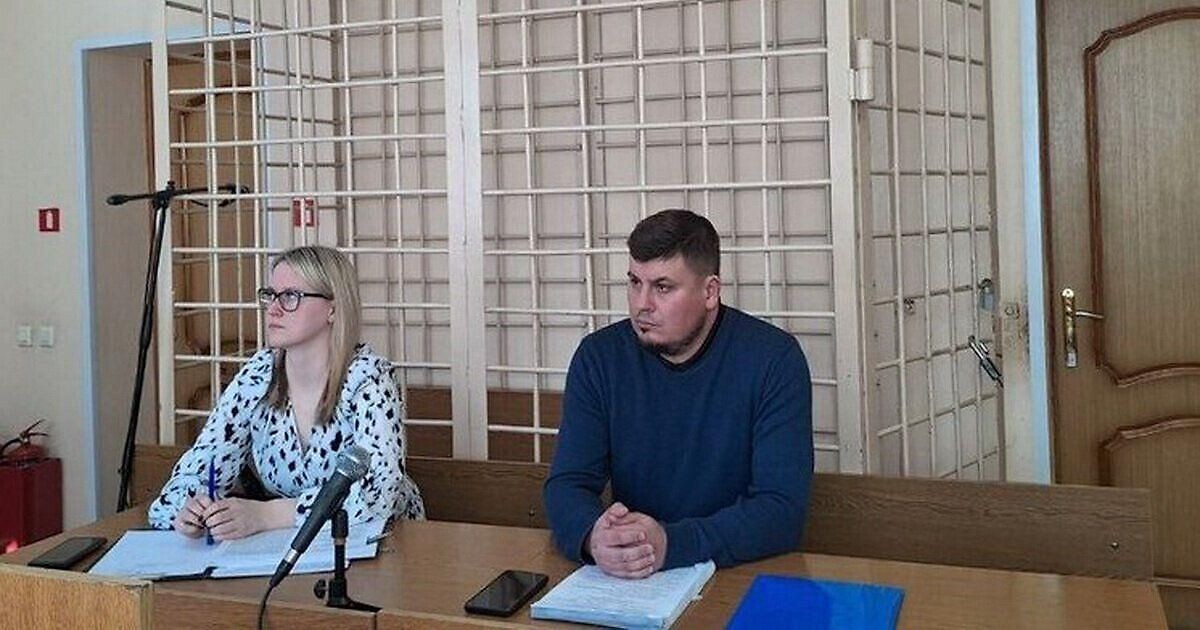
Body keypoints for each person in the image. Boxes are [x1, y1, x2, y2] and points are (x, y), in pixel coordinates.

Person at [544, 209, 813, 578]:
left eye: (663, 287)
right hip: (634, 578)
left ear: (710, 291)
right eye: (634, 283)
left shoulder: (773, 359)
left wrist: (672, 543)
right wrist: (594, 537)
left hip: (739, 571)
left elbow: (781, 511)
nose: (642, 304)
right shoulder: (600, 357)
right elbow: (567, 483)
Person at [148, 245, 425, 539]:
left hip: (390, 541)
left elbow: (379, 496)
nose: (273, 309)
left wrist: (267, 515)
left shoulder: (369, 378)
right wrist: (190, 509)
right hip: (293, 544)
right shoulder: (259, 374)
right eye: (270, 295)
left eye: (291, 296)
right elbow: (196, 473)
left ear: (333, 308)